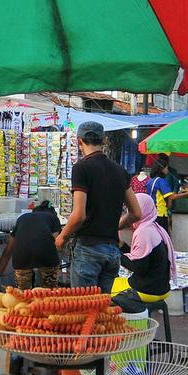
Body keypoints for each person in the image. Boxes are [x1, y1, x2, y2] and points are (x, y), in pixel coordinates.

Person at [56, 121, 142, 293]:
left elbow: (79, 215)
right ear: (103, 140)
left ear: (79, 141)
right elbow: (136, 213)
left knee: (83, 308)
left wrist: (62, 237)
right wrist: (112, 226)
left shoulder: (81, 168)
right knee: (103, 311)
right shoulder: (120, 171)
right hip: (112, 251)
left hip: (88, 249)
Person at [112, 194, 177, 313]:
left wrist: (115, 254)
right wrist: (121, 245)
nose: (129, 215)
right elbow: (142, 257)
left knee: (105, 289)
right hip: (162, 288)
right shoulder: (155, 228)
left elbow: (138, 267)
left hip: (146, 289)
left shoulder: (144, 232)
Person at [0, 200, 62, 289]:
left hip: (22, 256)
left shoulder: (22, 218)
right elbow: (56, 243)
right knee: (48, 293)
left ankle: (25, 296)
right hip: (46, 255)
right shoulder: (53, 218)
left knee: (23, 295)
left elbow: (8, 251)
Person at [143, 159, 188, 232]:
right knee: (163, 237)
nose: (167, 170)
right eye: (166, 168)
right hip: (161, 214)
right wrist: (187, 194)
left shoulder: (150, 181)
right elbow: (171, 197)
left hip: (151, 213)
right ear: (162, 169)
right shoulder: (161, 181)